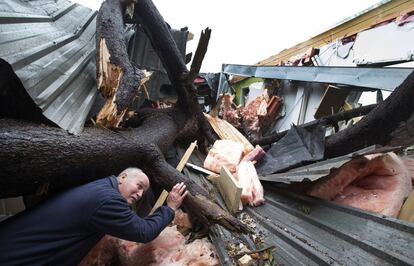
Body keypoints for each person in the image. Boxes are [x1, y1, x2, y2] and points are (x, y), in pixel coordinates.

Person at [0, 167, 188, 265]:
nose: (139, 194)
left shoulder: (100, 186)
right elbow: (142, 231)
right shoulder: (108, 200)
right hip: (14, 256)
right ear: (122, 177)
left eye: (143, 192)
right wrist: (170, 208)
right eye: (139, 186)